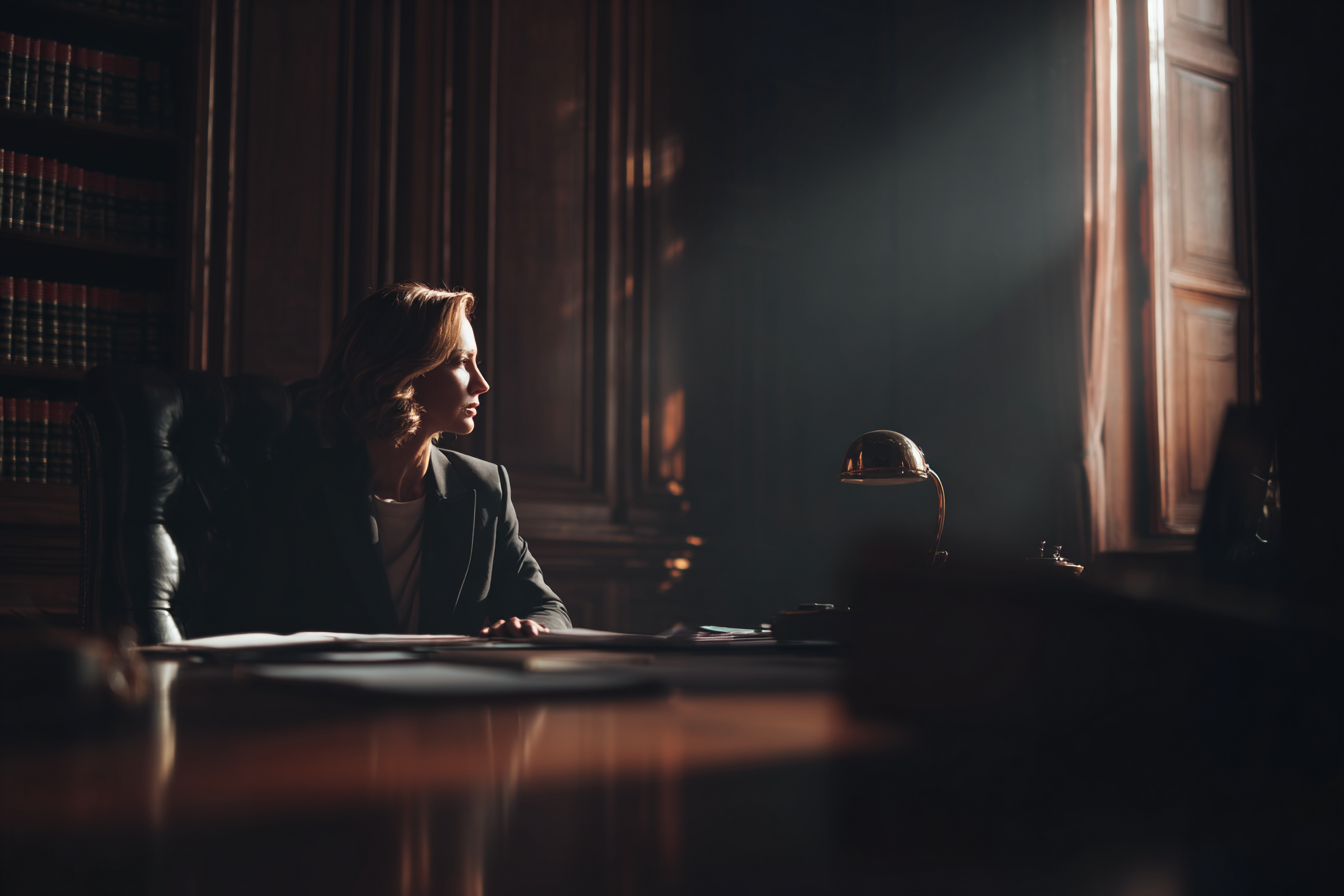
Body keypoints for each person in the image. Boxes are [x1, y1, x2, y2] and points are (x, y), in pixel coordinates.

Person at [228, 282, 569, 637]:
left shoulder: (484, 489)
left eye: (476, 362)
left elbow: (548, 608)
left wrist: (530, 627)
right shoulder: (289, 491)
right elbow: (247, 624)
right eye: (459, 361)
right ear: (402, 370)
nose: (481, 383)